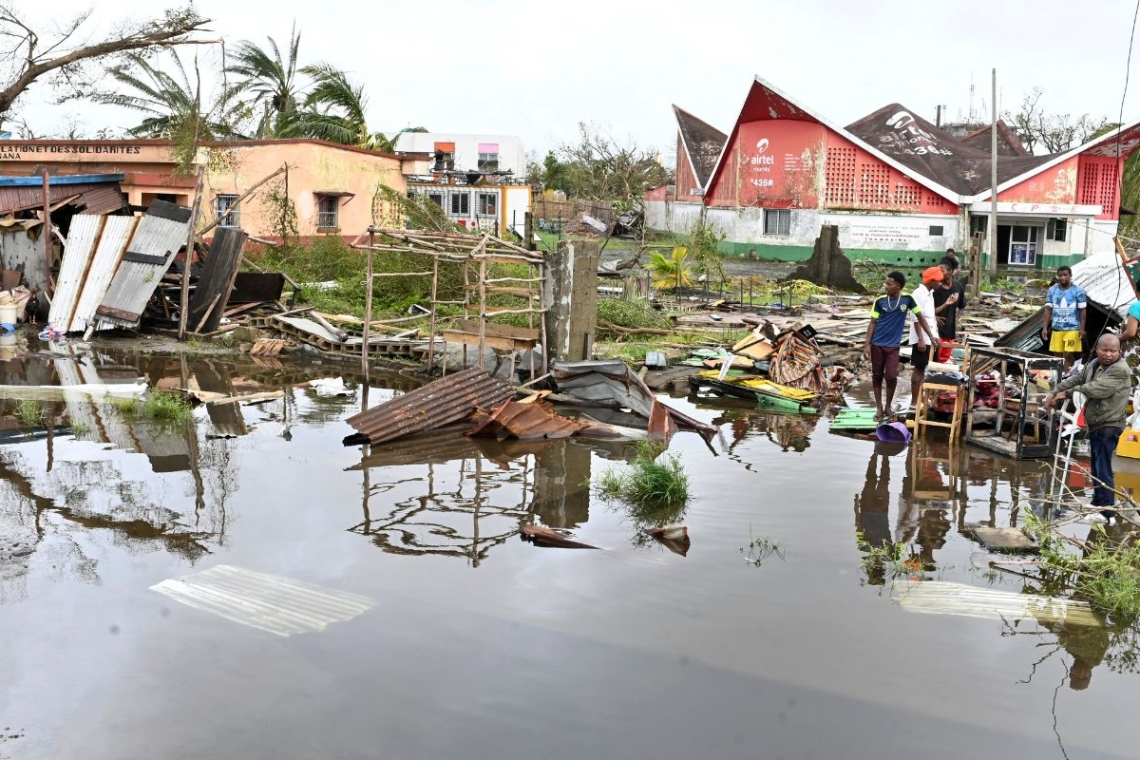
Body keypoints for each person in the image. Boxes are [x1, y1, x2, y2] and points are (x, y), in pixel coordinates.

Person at [1044, 334, 1131, 519]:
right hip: (1097, 423)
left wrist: (1066, 394)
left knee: (1103, 466)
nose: (1108, 354)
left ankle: (1108, 511)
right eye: (1104, 350)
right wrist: (1055, 391)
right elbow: (1076, 379)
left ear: (1119, 351)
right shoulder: (1093, 365)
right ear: (1097, 350)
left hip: (1110, 423)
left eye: (1112, 351)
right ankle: (1097, 503)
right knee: (1096, 465)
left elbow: (1096, 389)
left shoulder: (1120, 370)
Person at [863, 271, 936, 421]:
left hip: (893, 347)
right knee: (877, 375)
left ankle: (888, 406)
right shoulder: (880, 301)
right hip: (877, 344)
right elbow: (872, 323)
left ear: (898, 286)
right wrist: (866, 345)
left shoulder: (907, 300)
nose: (886, 286)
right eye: (886, 283)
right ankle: (879, 408)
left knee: (891, 376)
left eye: (889, 284)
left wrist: (930, 336)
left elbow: (920, 317)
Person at [909, 266, 944, 406]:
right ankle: (914, 402)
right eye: (939, 281)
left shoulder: (930, 294)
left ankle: (925, 400)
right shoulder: (918, 293)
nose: (940, 283)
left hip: (930, 337)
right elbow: (916, 317)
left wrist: (935, 336)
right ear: (932, 281)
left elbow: (930, 319)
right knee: (919, 368)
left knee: (929, 368)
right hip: (922, 338)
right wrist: (921, 339)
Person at [1041, 265, 1088, 370]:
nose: (1063, 278)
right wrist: (1045, 327)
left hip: (1073, 328)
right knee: (1056, 354)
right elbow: (1048, 310)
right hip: (1057, 328)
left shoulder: (1078, 290)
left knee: (1068, 354)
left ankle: (1065, 375)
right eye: (1060, 275)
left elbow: (1082, 311)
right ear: (1057, 276)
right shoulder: (1052, 290)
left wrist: (1082, 329)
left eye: (1065, 275)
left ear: (1070, 276)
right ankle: (1057, 375)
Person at [932, 256, 967, 361]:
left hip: (950, 332)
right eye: (937, 271)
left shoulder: (958, 287)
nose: (939, 273)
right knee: (934, 359)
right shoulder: (935, 288)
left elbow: (962, 306)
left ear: (950, 272)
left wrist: (958, 320)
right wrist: (934, 317)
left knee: (944, 360)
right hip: (936, 331)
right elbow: (925, 309)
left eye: (941, 271)